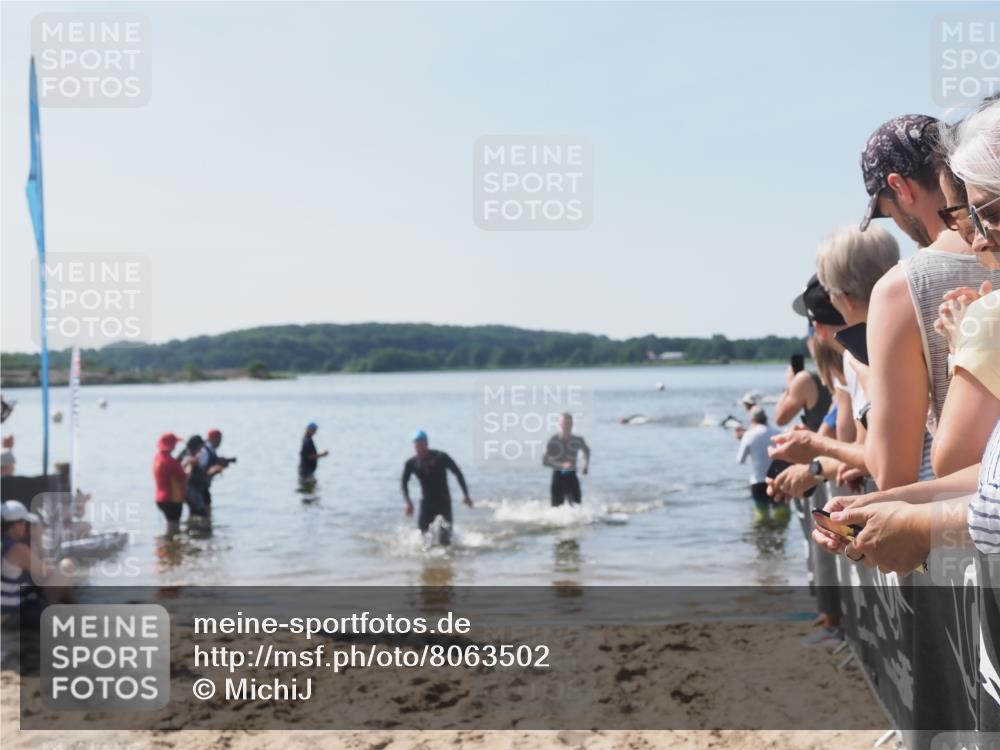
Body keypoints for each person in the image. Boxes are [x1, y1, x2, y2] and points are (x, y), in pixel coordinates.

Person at [857, 114, 999, 488]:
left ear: (899, 187)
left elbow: (894, 475)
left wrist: (869, 385)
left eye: (889, 214)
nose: (982, 240)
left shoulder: (901, 289)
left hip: (971, 534)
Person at [1, 500, 73, 631]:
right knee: (66, 567)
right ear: (16, 525)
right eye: (24, 523)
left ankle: (78, 611)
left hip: (10, 611)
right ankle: (80, 613)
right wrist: (39, 540)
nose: (26, 527)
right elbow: (48, 572)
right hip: (11, 620)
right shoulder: (17, 549)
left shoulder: (5, 545)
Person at [401, 430, 472, 545]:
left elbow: (457, 472)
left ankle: (446, 561)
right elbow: (404, 483)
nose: (419, 447)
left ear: (426, 444)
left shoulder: (441, 457)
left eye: (421, 444)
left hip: (443, 502)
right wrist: (408, 502)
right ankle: (427, 562)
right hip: (426, 503)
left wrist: (466, 495)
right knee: (423, 538)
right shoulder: (411, 463)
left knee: (445, 539)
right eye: (416, 444)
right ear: (414, 446)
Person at [736, 406, 784, 525]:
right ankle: (779, 540)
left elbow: (740, 460)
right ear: (766, 418)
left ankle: (762, 541)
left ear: (752, 420)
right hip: (777, 481)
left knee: (761, 517)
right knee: (781, 516)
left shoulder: (748, 435)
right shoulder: (777, 433)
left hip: (757, 482)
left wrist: (741, 439)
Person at [543, 412, 591, 507]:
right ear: (560, 424)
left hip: (572, 477)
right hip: (558, 477)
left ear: (572, 424)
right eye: (564, 423)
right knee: (556, 510)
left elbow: (587, 451)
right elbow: (545, 461)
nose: (567, 426)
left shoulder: (578, 439)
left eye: (569, 423)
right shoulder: (554, 440)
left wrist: (586, 464)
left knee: (577, 507)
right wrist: (561, 465)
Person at [153, 433, 186, 534]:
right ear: (171, 445)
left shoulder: (157, 458)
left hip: (160, 498)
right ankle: (170, 548)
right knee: (174, 529)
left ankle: (167, 547)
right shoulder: (171, 462)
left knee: (170, 526)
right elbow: (183, 477)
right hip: (172, 499)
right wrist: (190, 464)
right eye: (175, 443)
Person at [199, 428, 234, 507]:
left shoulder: (211, 449)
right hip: (199, 486)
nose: (220, 442)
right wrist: (216, 469)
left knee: (206, 508)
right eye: (219, 439)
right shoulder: (205, 450)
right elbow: (200, 470)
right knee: (202, 510)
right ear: (214, 439)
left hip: (204, 486)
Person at [180, 435, 210, 517]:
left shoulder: (184, 453)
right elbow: (187, 475)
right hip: (191, 489)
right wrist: (193, 463)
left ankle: (193, 527)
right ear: (198, 446)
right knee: (200, 513)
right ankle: (198, 528)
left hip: (190, 489)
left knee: (195, 512)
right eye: (201, 445)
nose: (201, 448)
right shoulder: (189, 456)